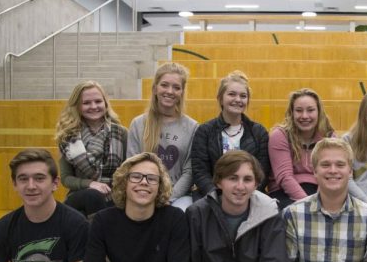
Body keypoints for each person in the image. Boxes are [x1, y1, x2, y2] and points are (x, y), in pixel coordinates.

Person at [127, 62, 199, 210]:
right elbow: (131, 165)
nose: (170, 91)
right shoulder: (138, 123)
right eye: (164, 85)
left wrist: (168, 197)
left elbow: (189, 171)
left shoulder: (192, 127)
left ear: (182, 92)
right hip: (143, 191)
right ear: (155, 88)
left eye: (176, 87)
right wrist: (148, 195)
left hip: (177, 196)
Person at [191, 70, 271, 199]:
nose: (238, 99)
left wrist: (245, 194)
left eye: (243, 96)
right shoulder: (204, 131)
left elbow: (263, 172)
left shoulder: (259, 132)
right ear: (220, 98)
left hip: (249, 195)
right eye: (232, 94)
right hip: (213, 196)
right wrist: (218, 195)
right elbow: (200, 171)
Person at [55, 81, 127, 216]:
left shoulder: (120, 133)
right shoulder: (68, 137)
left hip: (115, 194)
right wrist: (90, 184)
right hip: (80, 196)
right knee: (92, 196)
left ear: (105, 103)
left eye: (98, 101)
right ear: (77, 106)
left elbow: (128, 170)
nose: (93, 106)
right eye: (86, 103)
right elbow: (66, 178)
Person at [267, 88, 335, 208]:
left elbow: (329, 174)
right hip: (284, 192)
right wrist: (309, 204)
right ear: (291, 113)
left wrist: (320, 200)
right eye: (299, 110)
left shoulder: (329, 136)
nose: (304, 116)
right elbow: (285, 177)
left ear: (319, 112)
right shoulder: (280, 135)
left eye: (310, 110)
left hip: (320, 191)